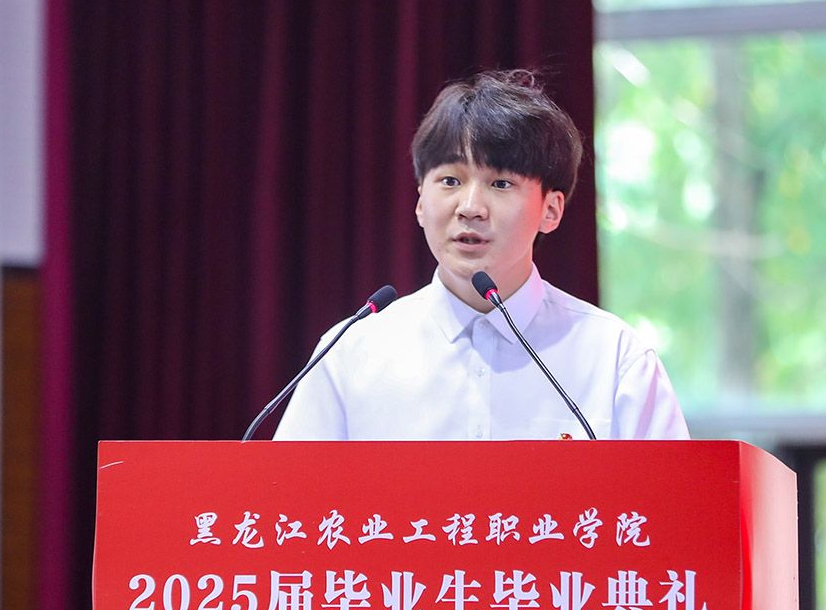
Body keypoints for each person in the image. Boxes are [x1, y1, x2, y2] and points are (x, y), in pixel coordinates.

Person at [274, 69, 688, 441]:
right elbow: (290, 499)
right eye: (450, 181)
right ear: (420, 203)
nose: (470, 207)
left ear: (550, 210)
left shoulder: (614, 358)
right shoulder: (351, 353)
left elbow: (666, 501)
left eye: (501, 184)